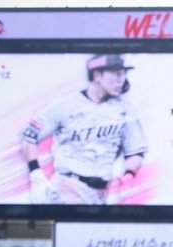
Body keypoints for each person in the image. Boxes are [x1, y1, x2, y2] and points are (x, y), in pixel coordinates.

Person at [21, 54, 147, 205]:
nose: (121, 79)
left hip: (102, 193)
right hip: (68, 186)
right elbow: (30, 136)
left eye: (123, 73)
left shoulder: (125, 110)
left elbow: (135, 151)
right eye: (116, 73)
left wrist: (129, 174)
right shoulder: (67, 104)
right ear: (97, 75)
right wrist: (35, 174)